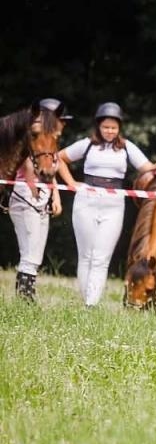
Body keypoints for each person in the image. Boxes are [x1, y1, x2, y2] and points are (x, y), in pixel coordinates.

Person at [63, 102, 156, 306]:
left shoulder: (127, 147)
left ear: (119, 128)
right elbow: (59, 158)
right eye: (105, 127)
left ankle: (91, 304)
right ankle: (86, 299)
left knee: (101, 258)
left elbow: (147, 167)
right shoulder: (86, 144)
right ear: (98, 126)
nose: (109, 131)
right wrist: (71, 182)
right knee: (86, 256)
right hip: (86, 201)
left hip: (113, 204)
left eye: (114, 128)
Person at [7, 99, 79, 302]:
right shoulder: (31, 139)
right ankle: (24, 298)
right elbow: (30, 171)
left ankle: (27, 295)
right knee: (30, 250)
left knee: (36, 252)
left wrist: (55, 196)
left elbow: (49, 175)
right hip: (26, 195)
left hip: (42, 195)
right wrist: (35, 192)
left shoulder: (49, 144)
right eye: (60, 120)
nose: (63, 124)